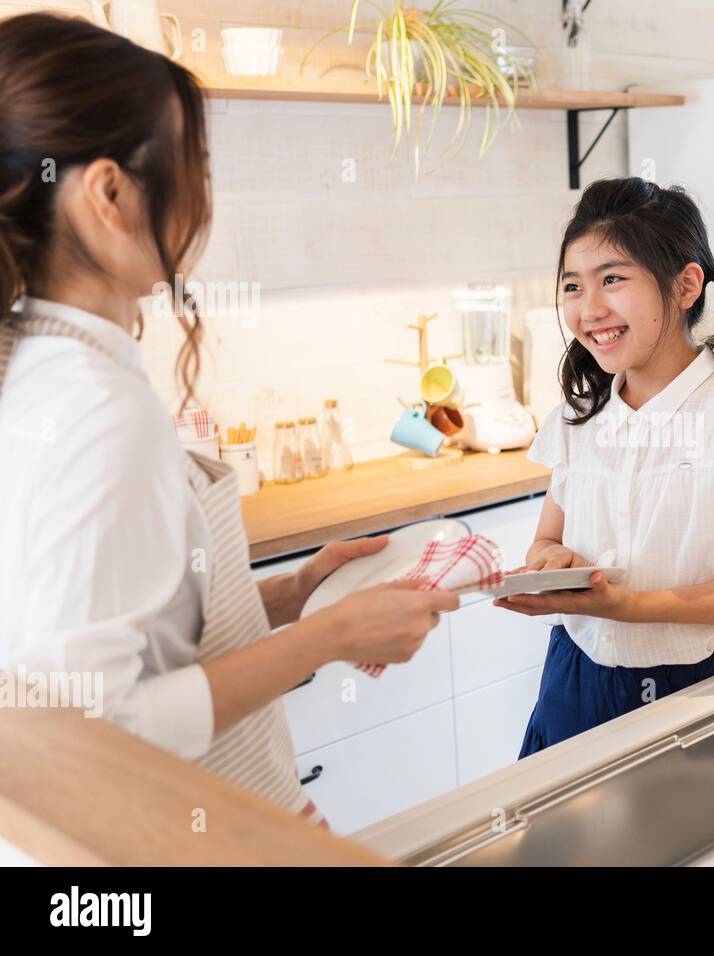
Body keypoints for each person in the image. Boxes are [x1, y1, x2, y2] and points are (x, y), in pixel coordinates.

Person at [0, 13, 456, 822]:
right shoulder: (97, 408)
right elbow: (94, 726)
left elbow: (123, 634)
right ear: (108, 194)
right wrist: (330, 638)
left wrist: (290, 595)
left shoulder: (46, 370)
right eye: (193, 164)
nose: (204, 195)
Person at [495, 177, 714, 755]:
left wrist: (630, 607)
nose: (589, 309)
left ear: (686, 284)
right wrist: (553, 564)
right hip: (571, 682)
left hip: (692, 691)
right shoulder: (580, 418)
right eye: (573, 286)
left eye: (613, 279)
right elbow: (548, 536)